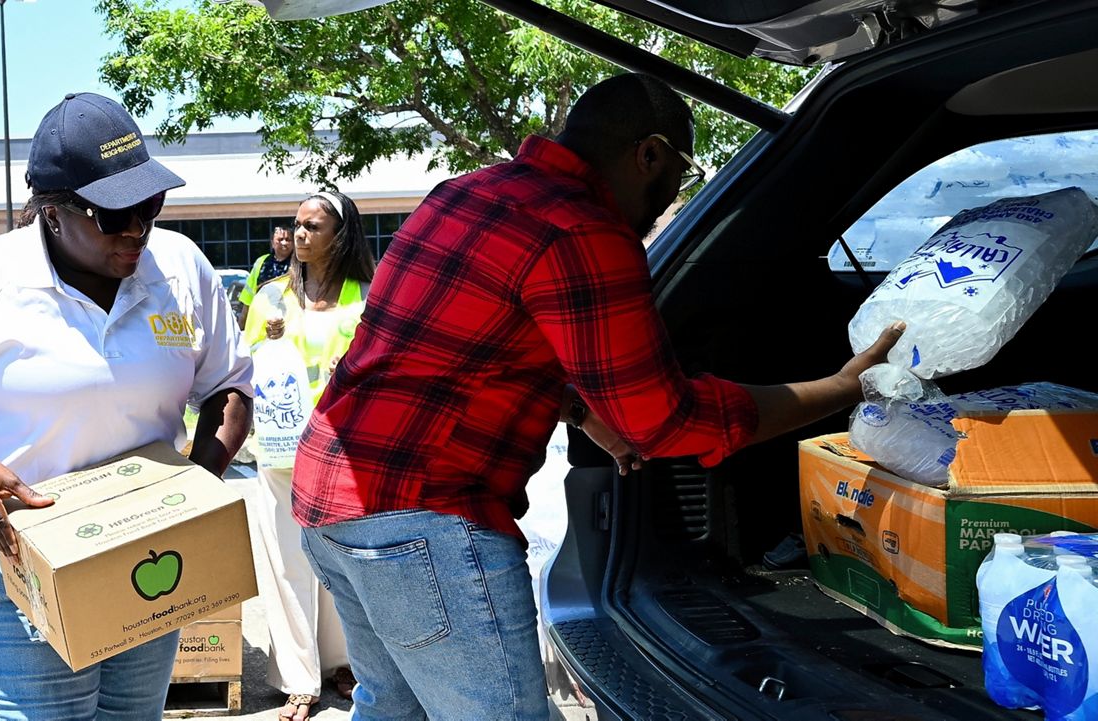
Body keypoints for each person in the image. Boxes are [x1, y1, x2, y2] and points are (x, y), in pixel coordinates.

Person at [290, 73, 905, 719]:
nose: (672, 191)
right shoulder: (583, 229)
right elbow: (664, 422)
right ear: (651, 154)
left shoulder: (468, 191)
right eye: (680, 171)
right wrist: (837, 387)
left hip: (332, 502)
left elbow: (460, 345)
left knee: (392, 709)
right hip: (425, 519)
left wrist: (581, 408)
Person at [0, 92, 253, 721]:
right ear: (52, 211)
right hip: (24, 555)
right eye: (112, 216)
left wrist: (197, 487)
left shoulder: (179, 268)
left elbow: (228, 386)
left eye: (149, 206)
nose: (137, 230)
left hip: (150, 548)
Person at [242, 190, 373, 721]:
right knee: (288, 561)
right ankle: (299, 678)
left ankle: (343, 662)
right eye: (296, 225)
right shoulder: (270, 298)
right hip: (279, 452)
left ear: (339, 236)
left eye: (312, 226)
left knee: (342, 564)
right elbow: (245, 368)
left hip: (345, 452)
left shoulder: (367, 296)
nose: (299, 235)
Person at [239, 225, 295, 326]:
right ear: (272, 243)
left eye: (288, 239)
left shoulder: (299, 265)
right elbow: (248, 298)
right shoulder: (261, 262)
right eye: (280, 239)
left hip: (288, 323)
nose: (284, 243)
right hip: (261, 324)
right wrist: (241, 326)